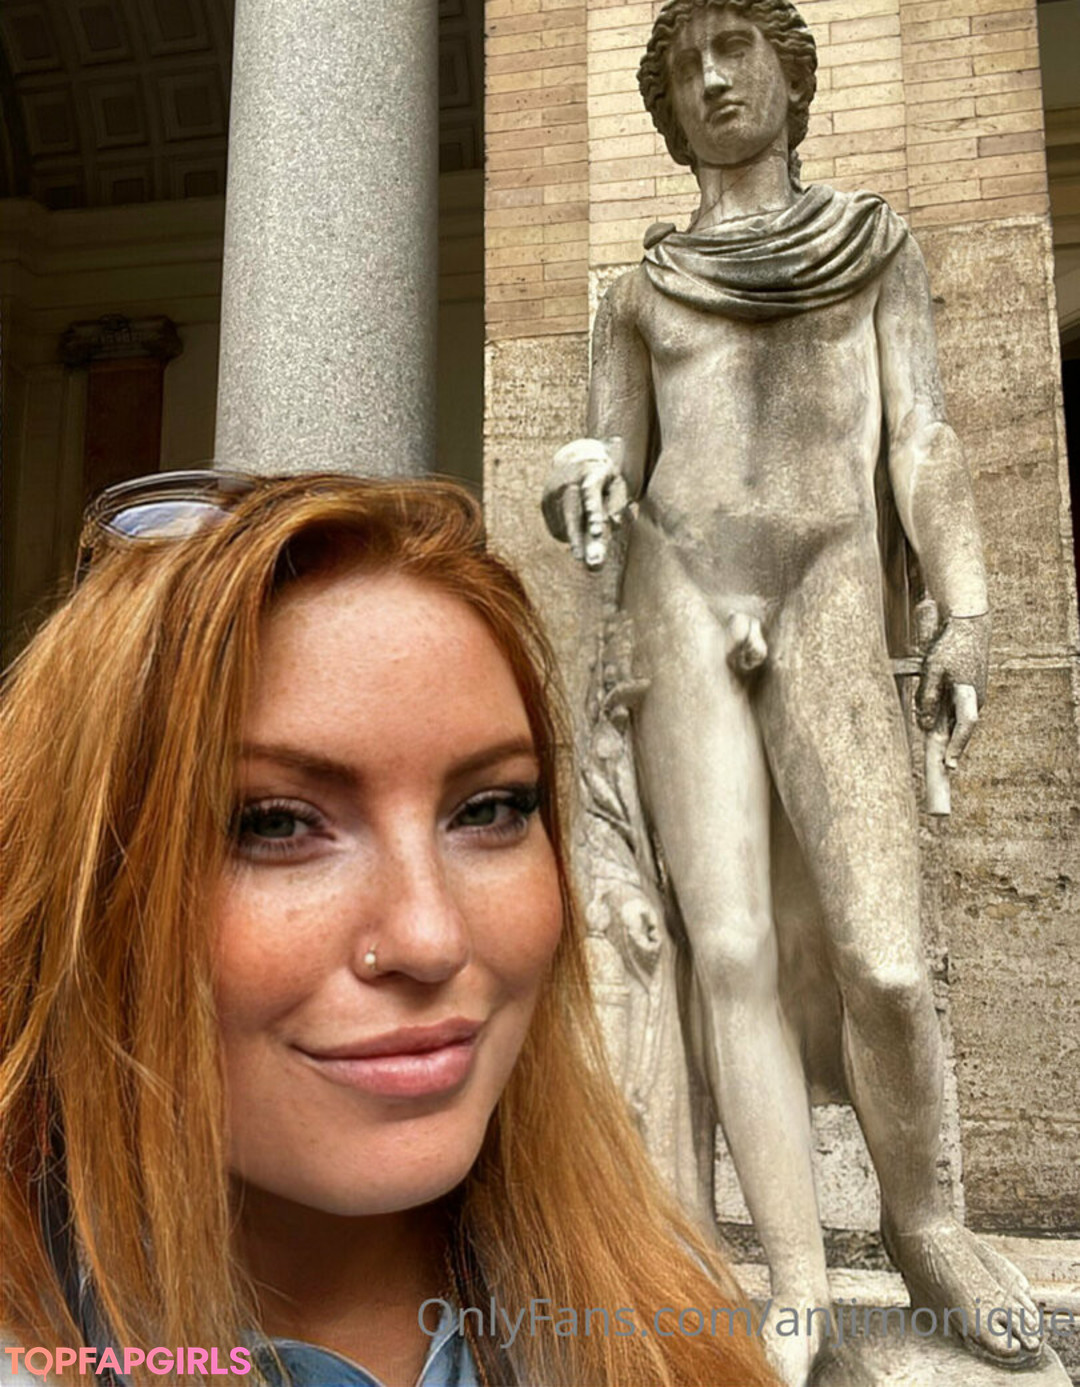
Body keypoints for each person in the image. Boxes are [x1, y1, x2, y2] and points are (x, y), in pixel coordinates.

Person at [0, 471, 778, 1387]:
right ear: (81, 886)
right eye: (275, 822)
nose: (430, 937)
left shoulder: (662, 1323)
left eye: (490, 808)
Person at [541, 1, 1042, 1383]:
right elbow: (603, 458)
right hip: (682, 587)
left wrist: (966, 607)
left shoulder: (876, 245)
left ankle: (927, 1223)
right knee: (731, 949)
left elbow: (922, 434)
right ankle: (795, 1283)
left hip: (826, 583)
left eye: (736, 50)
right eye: (686, 64)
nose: (713, 78)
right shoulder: (638, 292)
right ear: (666, 105)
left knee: (883, 955)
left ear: (789, 73)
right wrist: (580, 481)